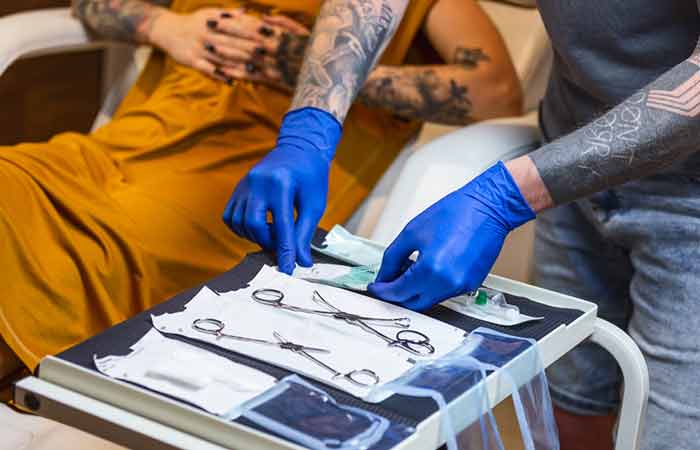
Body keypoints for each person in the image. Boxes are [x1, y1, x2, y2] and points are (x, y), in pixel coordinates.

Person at [245, 1, 700, 449]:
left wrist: (507, 195)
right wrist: (310, 125)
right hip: (574, 156)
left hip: (687, 198)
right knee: (571, 401)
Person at [0, 0, 521, 385]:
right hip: (103, 154)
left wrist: (327, 68)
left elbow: (497, 91)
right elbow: (91, 6)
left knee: (88, 251)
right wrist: (166, 25)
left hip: (233, 188)